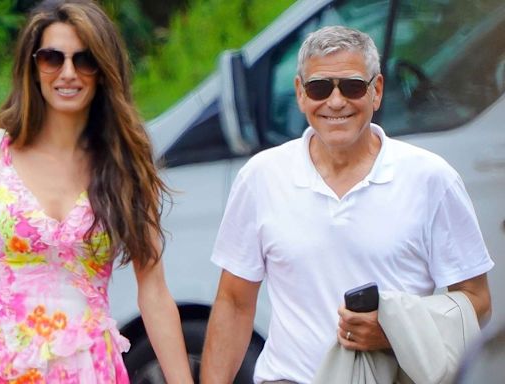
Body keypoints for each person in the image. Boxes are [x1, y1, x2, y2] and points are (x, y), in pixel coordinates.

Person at [0, 1, 193, 383]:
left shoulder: (125, 162)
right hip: (2, 368)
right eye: (52, 58)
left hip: (91, 371)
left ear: (104, 70)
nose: (68, 73)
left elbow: (154, 292)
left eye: (85, 60)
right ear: (33, 66)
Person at [200, 25, 493, 384]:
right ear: (300, 94)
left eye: (352, 86)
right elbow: (233, 302)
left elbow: (476, 301)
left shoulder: (432, 179)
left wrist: (396, 332)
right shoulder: (260, 177)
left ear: (377, 91)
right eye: (319, 87)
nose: (335, 102)